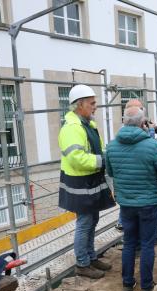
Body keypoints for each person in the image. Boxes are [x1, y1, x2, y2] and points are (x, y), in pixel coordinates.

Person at [106, 106, 157, 291]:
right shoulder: (151, 145)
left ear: (124, 122)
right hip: (148, 203)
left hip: (126, 203)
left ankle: (127, 284)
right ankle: (146, 287)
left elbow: (111, 172)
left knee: (128, 243)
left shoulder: (112, 146)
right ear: (143, 123)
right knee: (146, 244)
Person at [58, 84, 115, 279]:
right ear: (79, 105)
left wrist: (108, 155)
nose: (95, 107)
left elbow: (97, 149)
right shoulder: (72, 128)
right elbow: (77, 158)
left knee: (93, 219)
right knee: (85, 221)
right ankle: (82, 263)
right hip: (79, 182)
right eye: (92, 103)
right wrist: (104, 161)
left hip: (90, 179)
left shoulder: (87, 124)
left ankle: (91, 257)